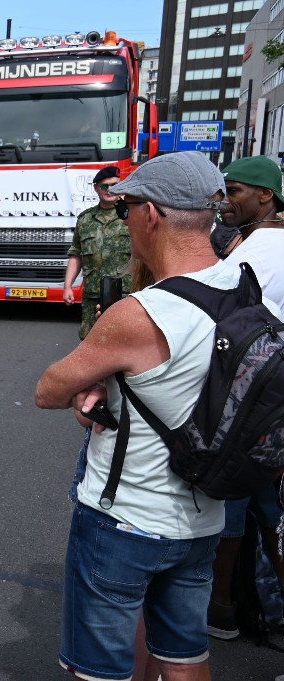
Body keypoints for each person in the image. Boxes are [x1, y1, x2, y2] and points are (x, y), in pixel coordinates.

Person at [35, 151, 253, 681]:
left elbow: (48, 389)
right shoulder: (243, 287)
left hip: (127, 517)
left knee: (98, 669)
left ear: (150, 214)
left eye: (126, 207)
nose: (123, 217)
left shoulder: (141, 313)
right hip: (203, 516)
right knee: (184, 658)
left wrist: (90, 389)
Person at [206, 155, 284, 640]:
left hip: (253, 399)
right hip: (270, 398)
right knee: (269, 508)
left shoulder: (266, 248)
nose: (226, 201)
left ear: (265, 195)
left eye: (235, 191)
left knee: (231, 499)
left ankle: (220, 607)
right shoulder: (259, 242)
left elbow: (221, 317)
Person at [62, 166, 133, 340]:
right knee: (90, 340)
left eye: (114, 185)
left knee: (125, 341)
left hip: (127, 293)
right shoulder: (85, 219)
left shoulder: (132, 215)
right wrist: (67, 286)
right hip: (94, 294)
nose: (109, 190)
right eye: (104, 186)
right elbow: (76, 254)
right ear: (96, 188)